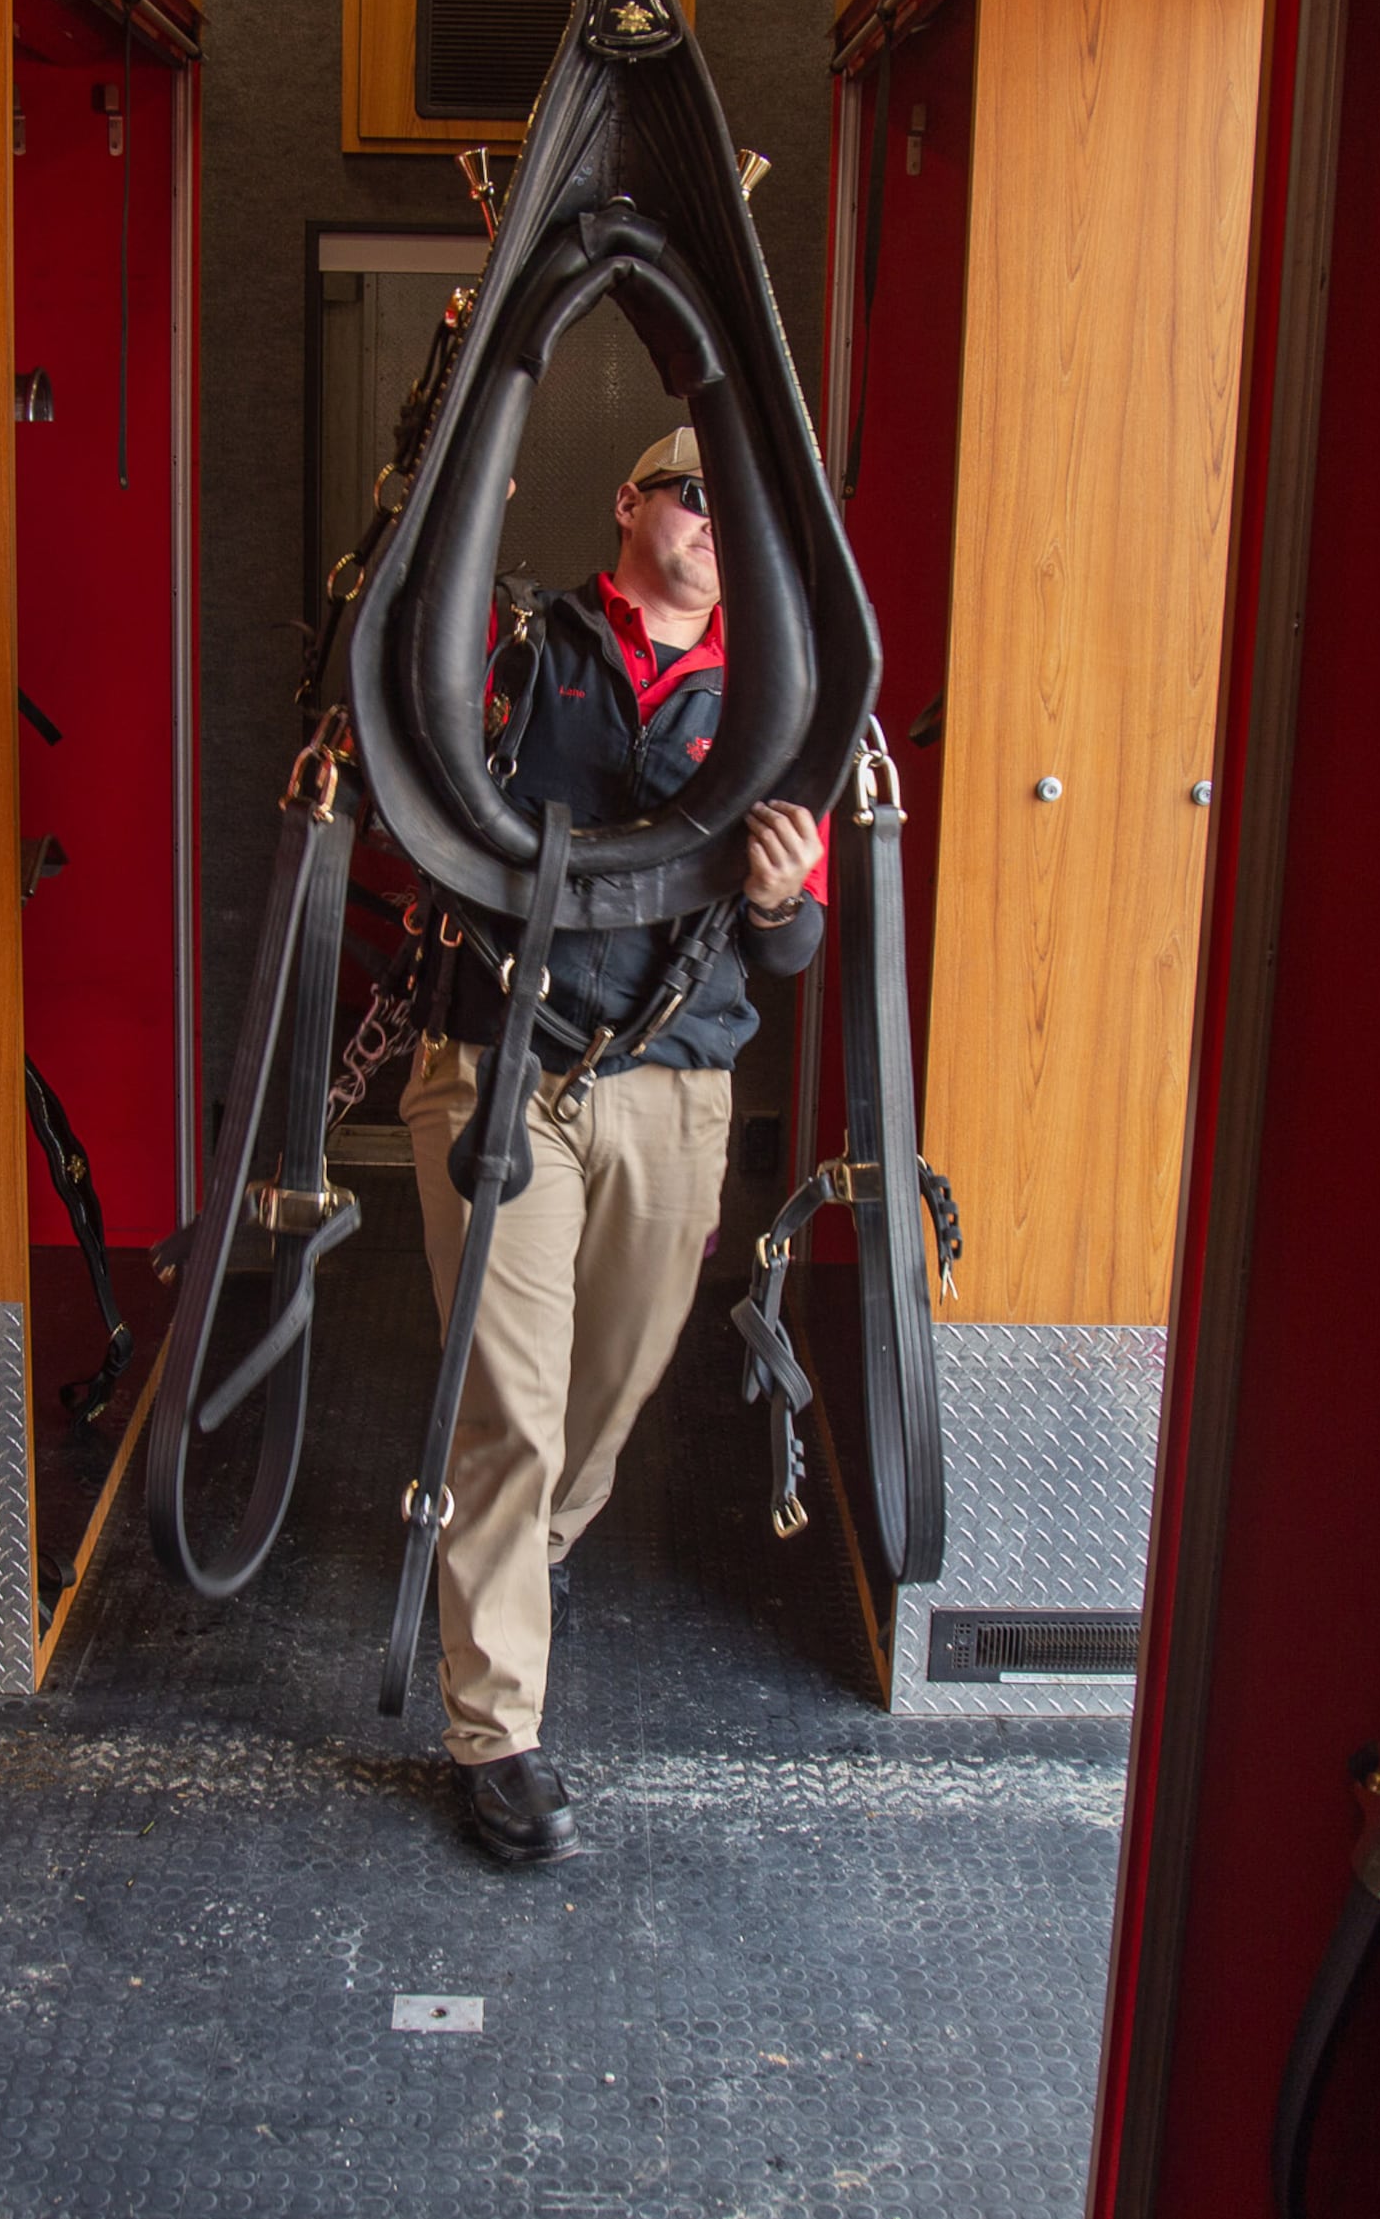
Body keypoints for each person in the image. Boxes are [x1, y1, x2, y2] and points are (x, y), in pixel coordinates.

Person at [399, 425, 827, 1865]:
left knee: (615, 1382)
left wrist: (779, 898)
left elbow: (801, 941)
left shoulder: (779, 695)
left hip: (672, 1084)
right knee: (511, 1401)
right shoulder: (522, 646)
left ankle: (533, 1549)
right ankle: (496, 1725)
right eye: (691, 492)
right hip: (504, 1066)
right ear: (631, 502)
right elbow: (420, 781)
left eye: (734, 502)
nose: (714, 519)